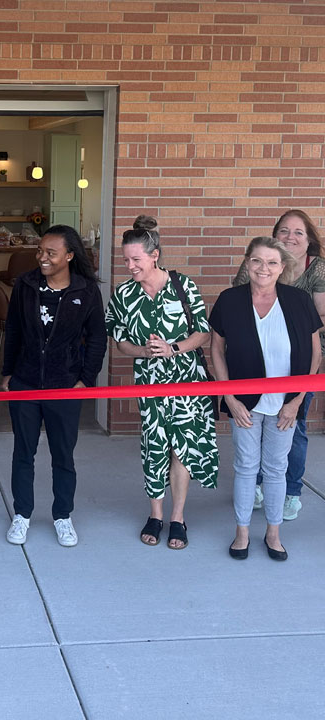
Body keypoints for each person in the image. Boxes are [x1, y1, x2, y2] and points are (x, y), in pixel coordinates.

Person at [105, 215, 218, 550]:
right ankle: (155, 514)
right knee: (154, 447)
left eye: (136, 259)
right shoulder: (123, 294)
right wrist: (144, 351)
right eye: (125, 260)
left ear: (154, 255)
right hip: (150, 382)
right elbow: (119, 340)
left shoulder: (183, 285)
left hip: (186, 380)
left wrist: (173, 349)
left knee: (181, 448)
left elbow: (203, 331)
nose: (130, 266)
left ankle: (178, 518)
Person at [211, 236, 321, 562]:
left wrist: (297, 400)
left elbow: (315, 352)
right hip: (244, 401)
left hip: (285, 403)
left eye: (272, 262)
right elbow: (217, 349)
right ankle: (242, 532)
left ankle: (273, 533)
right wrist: (228, 396)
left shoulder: (298, 300)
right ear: (247, 263)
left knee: (276, 468)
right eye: (257, 260)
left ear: (282, 267)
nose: (264, 268)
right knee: (246, 467)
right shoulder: (230, 300)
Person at [1, 225, 106, 547]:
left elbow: (98, 339)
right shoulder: (26, 285)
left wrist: (85, 380)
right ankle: (22, 515)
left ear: (70, 256)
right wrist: (8, 374)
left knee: (63, 455)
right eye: (40, 251)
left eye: (50, 253)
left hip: (65, 386)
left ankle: (63, 516)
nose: (42, 258)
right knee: (23, 452)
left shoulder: (86, 291)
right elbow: (14, 330)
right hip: (26, 383)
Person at [233, 210, 325, 520]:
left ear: (309, 238)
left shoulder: (317, 270)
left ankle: (291, 491)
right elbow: (239, 299)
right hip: (257, 364)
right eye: (284, 231)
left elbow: (321, 317)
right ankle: (258, 486)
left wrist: (293, 321)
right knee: (255, 430)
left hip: (301, 363)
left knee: (293, 426)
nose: (290, 236)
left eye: (298, 232)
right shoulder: (261, 262)